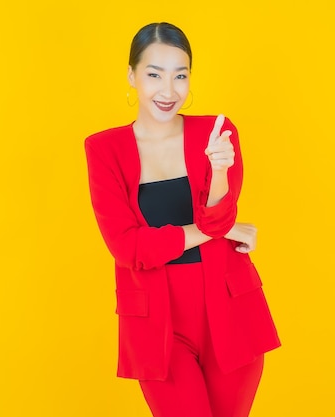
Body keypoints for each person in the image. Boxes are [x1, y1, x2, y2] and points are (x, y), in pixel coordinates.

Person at [84, 22, 280, 417]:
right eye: (154, 75)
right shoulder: (104, 149)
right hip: (157, 325)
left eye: (180, 75)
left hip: (230, 312)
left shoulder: (216, 133)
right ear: (132, 76)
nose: (168, 91)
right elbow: (128, 247)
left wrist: (220, 171)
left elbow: (221, 216)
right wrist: (214, 232)